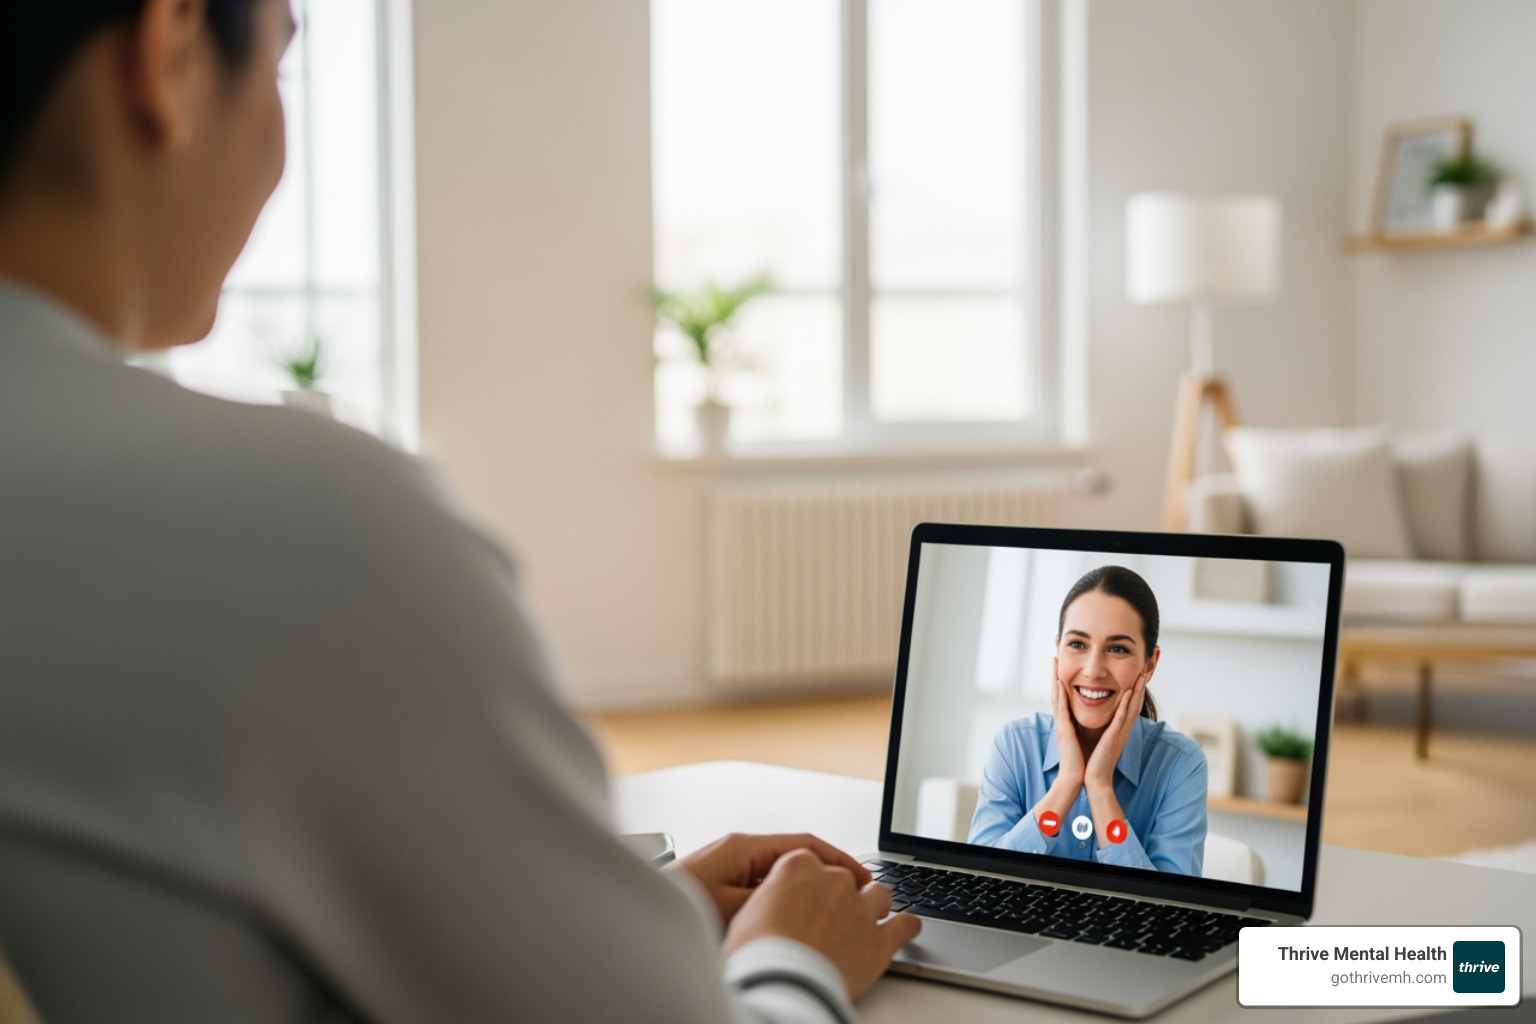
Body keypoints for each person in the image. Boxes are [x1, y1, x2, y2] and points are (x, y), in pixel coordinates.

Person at [0, 2, 920, 1021]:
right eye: (280, 66)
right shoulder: (301, 526)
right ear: (168, 51)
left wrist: (616, 924)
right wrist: (793, 961)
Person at [968, 566, 1208, 876]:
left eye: (1117, 649)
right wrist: (1067, 781)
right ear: (1058, 650)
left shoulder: (1181, 764)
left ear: (1149, 665)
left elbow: (1171, 911)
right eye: (1077, 644)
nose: (1094, 670)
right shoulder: (1014, 744)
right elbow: (980, 882)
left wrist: (1099, 786)